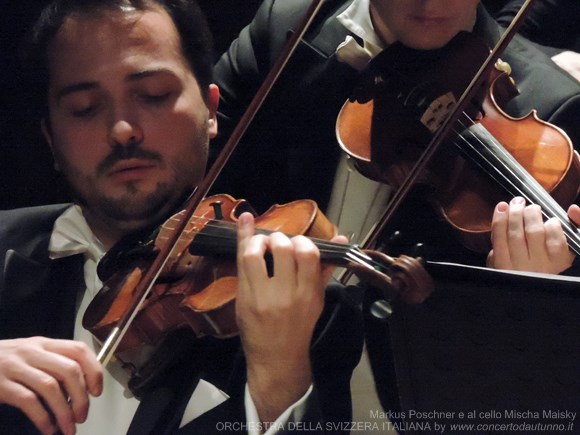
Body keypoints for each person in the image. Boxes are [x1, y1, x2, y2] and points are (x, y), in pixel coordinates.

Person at [0, 1, 364, 434]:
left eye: (153, 95)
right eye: (83, 108)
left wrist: (278, 380)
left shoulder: (303, 306)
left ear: (211, 111)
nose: (123, 129)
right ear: (51, 138)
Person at [210, 0, 580, 276]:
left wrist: (524, 290)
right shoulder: (285, 30)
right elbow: (196, 177)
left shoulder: (550, 110)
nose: (432, 1)